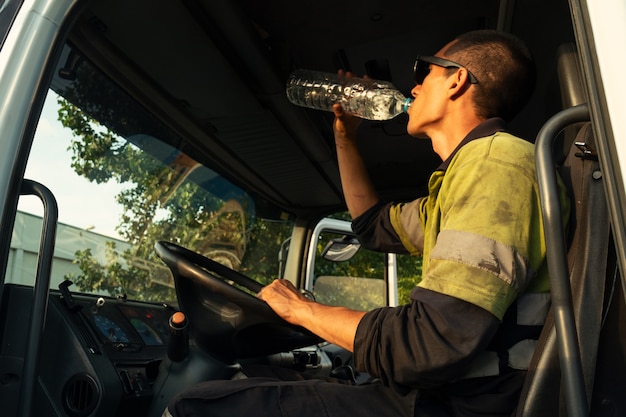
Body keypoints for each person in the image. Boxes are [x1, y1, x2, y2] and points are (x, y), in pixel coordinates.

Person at [164, 29, 569, 417]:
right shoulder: (467, 174)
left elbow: (429, 344)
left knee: (196, 406)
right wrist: (345, 135)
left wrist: (302, 310)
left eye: (424, 73)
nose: (413, 88)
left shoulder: (496, 165)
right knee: (259, 378)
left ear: (456, 80)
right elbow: (373, 226)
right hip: (438, 396)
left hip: (456, 406)